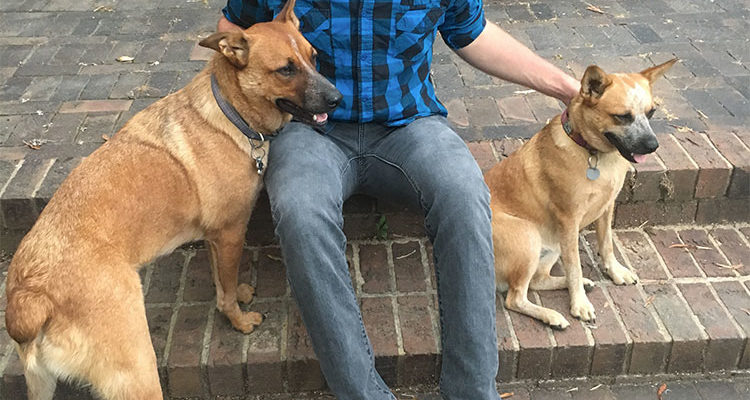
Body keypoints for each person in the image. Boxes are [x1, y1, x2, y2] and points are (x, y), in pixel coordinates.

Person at [217, 1, 580, 398]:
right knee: (301, 213)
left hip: (409, 124)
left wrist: (565, 88)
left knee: (464, 192)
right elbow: (232, 31)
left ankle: (473, 392)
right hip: (310, 130)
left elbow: (472, 32)